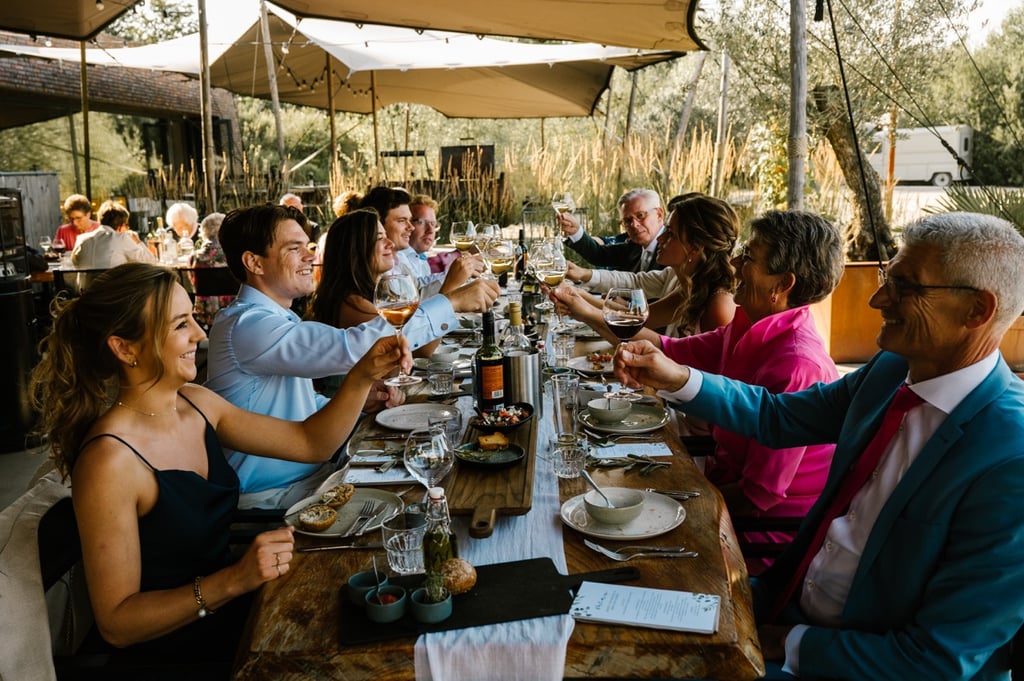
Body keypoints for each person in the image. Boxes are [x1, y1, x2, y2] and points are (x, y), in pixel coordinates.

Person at [614, 211, 1024, 679]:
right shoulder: (891, 369)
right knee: (620, 603)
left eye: (905, 287)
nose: (876, 298)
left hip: (837, 659)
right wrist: (678, 378)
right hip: (782, 600)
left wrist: (782, 642)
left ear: (977, 311)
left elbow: (936, 661)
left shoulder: (1009, 458)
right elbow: (780, 416)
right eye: (888, 275)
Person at [28, 262, 407, 668]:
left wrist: (363, 375)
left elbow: (311, 442)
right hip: (178, 655)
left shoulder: (196, 403)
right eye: (179, 326)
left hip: (237, 609)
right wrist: (234, 580)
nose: (200, 334)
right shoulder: (109, 460)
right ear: (124, 348)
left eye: (192, 318)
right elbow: (118, 623)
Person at [205, 204, 499, 507]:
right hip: (274, 499)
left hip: (315, 476)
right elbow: (354, 347)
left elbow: (294, 406)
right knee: (437, 485)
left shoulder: (275, 318)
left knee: (437, 466)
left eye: (308, 246)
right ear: (254, 262)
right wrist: (450, 303)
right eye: (295, 249)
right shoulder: (247, 326)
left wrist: (355, 400)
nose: (310, 256)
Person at [554, 194, 738, 341]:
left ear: (695, 248)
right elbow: (636, 323)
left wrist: (584, 310)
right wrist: (578, 300)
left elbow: (676, 355)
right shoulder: (691, 287)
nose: (660, 239)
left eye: (671, 234)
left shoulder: (719, 305)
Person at [340, 187, 484, 297]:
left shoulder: (397, 262)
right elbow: (406, 323)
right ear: (378, 225)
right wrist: (452, 283)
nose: (411, 227)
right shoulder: (370, 275)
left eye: (434, 224)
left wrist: (457, 275)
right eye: (402, 220)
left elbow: (417, 290)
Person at [557, 188, 666, 272]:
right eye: (627, 220)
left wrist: (626, 301)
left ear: (659, 214)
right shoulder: (634, 246)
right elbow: (599, 255)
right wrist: (575, 231)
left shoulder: (674, 248)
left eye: (640, 215)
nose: (634, 224)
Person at [70, 200, 156, 269]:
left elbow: (75, 265)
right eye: (126, 225)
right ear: (120, 226)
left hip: (85, 290)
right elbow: (151, 262)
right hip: (114, 289)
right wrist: (137, 241)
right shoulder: (121, 238)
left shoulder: (81, 240)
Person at [191, 212, 234, 331]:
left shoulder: (195, 257)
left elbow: (193, 282)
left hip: (204, 309)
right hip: (230, 306)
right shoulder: (232, 255)